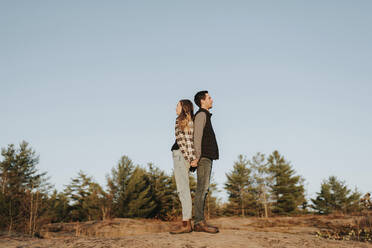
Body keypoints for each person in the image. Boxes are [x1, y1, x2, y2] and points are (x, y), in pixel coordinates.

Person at [193, 90, 219, 233]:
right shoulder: (201, 115)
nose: (212, 100)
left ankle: (199, 221)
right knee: (202, 189)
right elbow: (197, 136)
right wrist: (197, 157)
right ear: (202, 101)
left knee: (204, 189)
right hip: (203, 158)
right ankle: (198, 222)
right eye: (209, 98)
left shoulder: (205, 115)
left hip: (206, 157)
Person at [170, 99, 198, 234]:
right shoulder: (190, 120)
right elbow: (190, 142)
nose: (175, 108)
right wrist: (192, 160)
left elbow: (185, 142)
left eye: (177, 105)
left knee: (182, 189)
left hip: (181, 156)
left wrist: (191, 159)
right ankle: (186, 221)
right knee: (183, 189)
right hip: (183, 157)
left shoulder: (181, 120)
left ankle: (186, 223)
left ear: (183, 107)